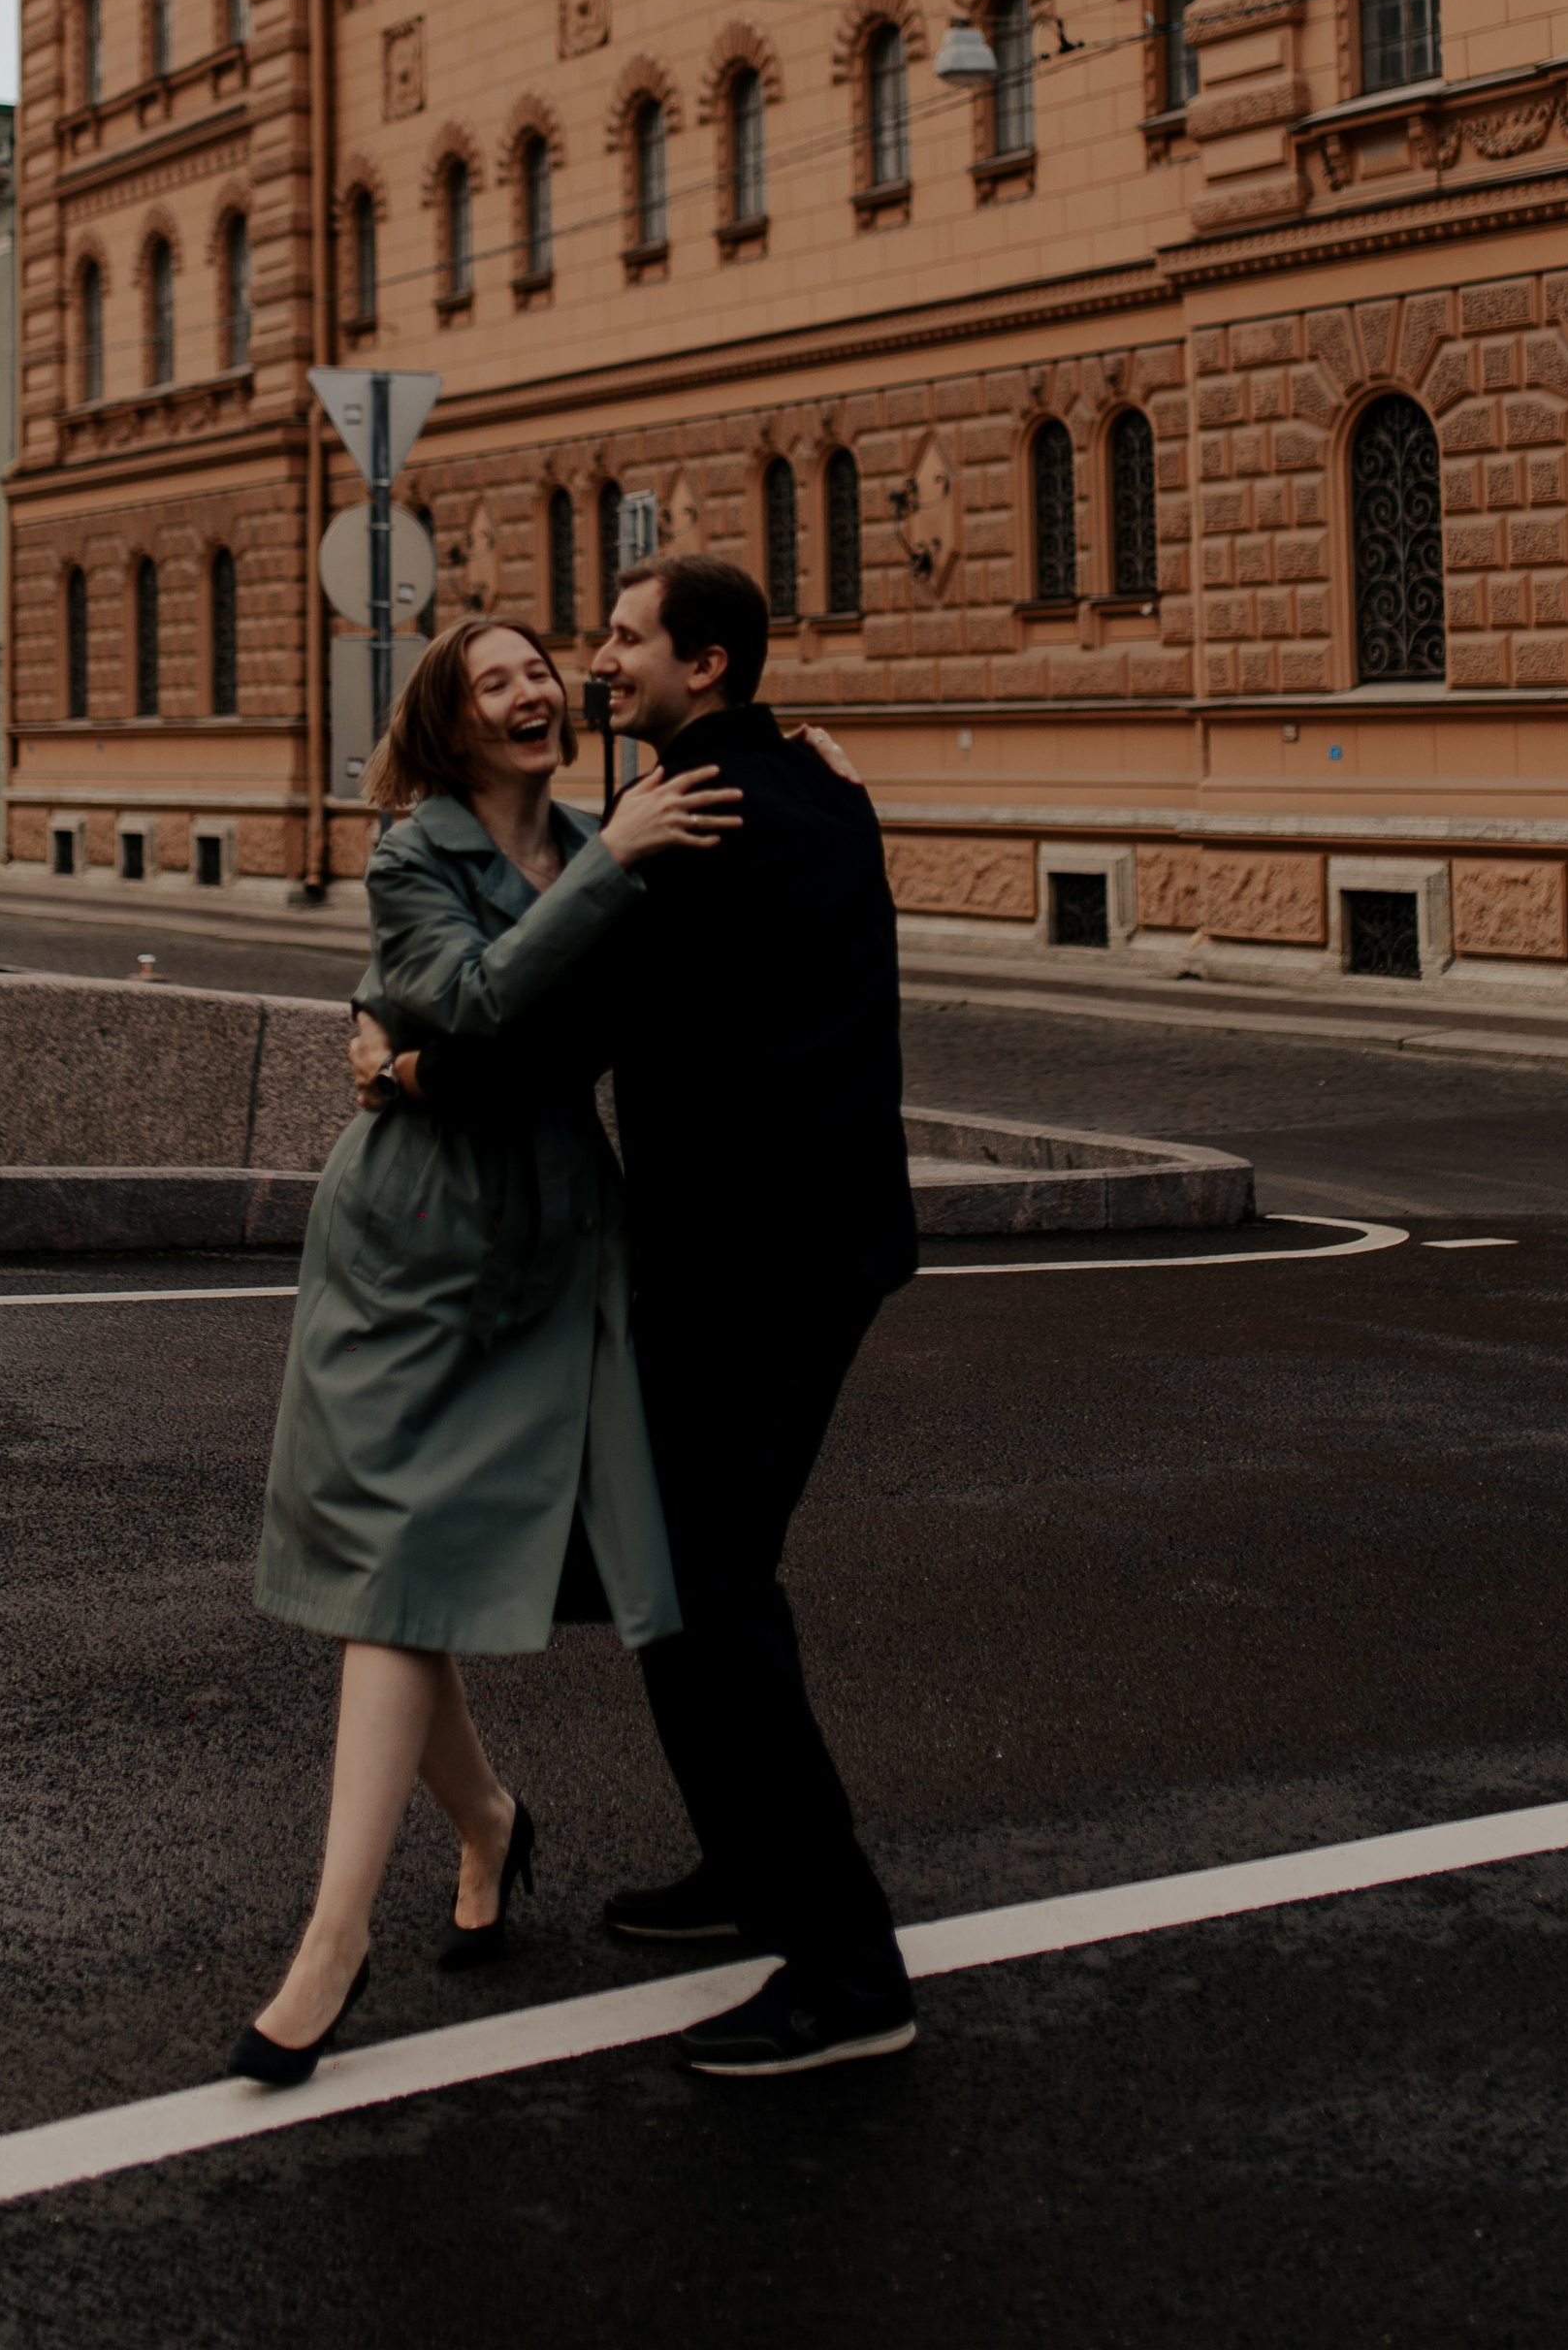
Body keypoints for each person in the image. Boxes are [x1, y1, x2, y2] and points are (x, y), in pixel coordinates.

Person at [228, 614, 739, 2089]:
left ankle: (472, 1843)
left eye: (536, 670)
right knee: (388, 1577)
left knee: (410, 1576)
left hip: (549, 1238)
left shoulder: (611, 829)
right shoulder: (418, 852)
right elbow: (464, 995)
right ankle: (355, 1925)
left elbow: (572, 1013)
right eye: (489, 678)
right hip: (408, 1237)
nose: (525, 688)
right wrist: (599, 877)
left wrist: (815, 772)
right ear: (448, 725)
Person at [585, 553, 920, 2077]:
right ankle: (747, 1865)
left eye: (625, 638)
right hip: (805, 1250)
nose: (604, 660)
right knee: (681, 1577)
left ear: (705, 665)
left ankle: (848, 1969)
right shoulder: (804, 783)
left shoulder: (699, 818)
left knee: (708, 1588)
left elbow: (560, 1008)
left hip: (749, 1265)